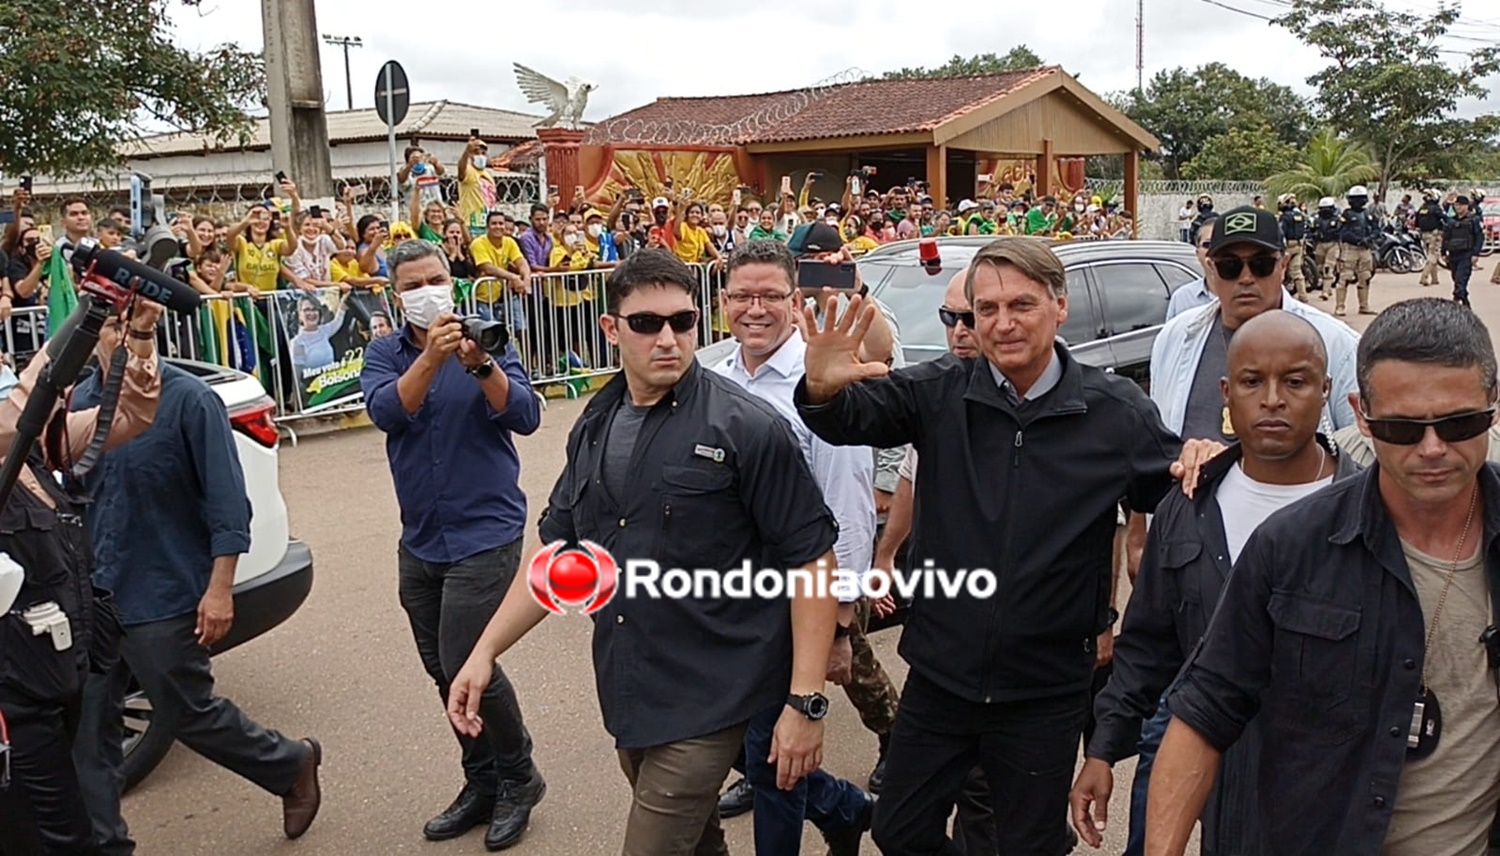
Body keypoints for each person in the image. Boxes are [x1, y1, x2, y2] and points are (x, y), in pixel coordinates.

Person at [794, 236, 1184, 856]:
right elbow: (845, 418)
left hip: (1045, 689)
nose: (1003, 324)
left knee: (1027, 843)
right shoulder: (940, 392)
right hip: (941, 676)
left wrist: (1203, 456)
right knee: (899, 830)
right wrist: (820, 387)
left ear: (1059, 307)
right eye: (987, 309)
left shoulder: (1115, 412)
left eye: (1021, 305)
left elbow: (1178, 489)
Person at [446, 249, 841, 856]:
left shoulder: (748, 427)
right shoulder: (597, 422)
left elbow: (813, 561)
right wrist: (485, 653)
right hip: (633, 688)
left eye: (682, 322)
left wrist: (805, 703)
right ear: (611, 329)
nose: (668, 338)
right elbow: (561, 555)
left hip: (719, 692)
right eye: (646, 323)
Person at [1148, 297, 1500, 856]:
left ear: (1493, 406)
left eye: (1459, 423)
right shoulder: (1289, 547)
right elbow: (1203, 714)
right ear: (1360, 414)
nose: (1433, 449)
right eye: (1403, 428)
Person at [1072, 310, 1361, 856]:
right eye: (1253, 382)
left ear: (1325, 390)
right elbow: (1148, 645)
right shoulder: (1189, 505)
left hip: (1314, 778)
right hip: (1187, 746)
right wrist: (1103, 750)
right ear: (1227, 392)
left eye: (1295, 381)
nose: (1272, 398)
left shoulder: (1363, 512)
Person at [71, 303, 324, 854]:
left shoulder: (189, 399)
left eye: (123, 325)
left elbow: (229, 503)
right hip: (94, 593)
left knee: (187, 710)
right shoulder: (81, 402)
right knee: (88, 725)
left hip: (162, 589)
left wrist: (219, 589)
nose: (112, 337)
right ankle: (103, 843)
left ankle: (290, 763)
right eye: (104, 327)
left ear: (145, 331)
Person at [359, 239, 545, 850]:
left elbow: (524, 414)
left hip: (485, 531)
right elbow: (388, 412)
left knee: (470, 658)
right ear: (395, 294)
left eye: (435, 279)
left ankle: (520, 776)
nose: (426, 292)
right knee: (443, 667)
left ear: (454, 281)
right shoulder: (386, 352)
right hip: (421, 537)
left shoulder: (486, 339)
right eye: (411, 285)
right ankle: (481, 778)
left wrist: (477, 364)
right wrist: (430, 362)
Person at [707, 239, 876, 855]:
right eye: (742, 296)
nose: (757, 309)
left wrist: (839, 625)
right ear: (723, 301)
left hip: (797, 604)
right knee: (746, 745)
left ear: (795, 300)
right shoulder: (712, 378)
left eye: (771, 296)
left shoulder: (820, 380)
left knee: (775, 755)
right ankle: (844, 807)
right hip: (728, 603)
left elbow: (848, 507)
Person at [0, 298, 164, 855]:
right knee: (57, 836)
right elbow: (15, 419)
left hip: (57, 671)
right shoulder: (11, 438)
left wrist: (133, 342)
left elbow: (130, 416)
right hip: (13, 697)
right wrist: (80, 326)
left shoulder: (27, 453)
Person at [869, 266, 998, 855]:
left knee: (993, 812)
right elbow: (909, 481)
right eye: (951, 319)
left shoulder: (1077, 404)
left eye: (972, 318)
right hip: (942, 646)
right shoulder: (936, 393)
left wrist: (1101, 616)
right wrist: (888, 553)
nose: (960, 331)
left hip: (1024, 664)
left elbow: (1109, 519)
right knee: (898, 825)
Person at [1335, 184, 1378, 317]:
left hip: (1365, 250)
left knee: (1365, 277)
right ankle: (1340, 307)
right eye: (1356, 198)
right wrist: (1358, 240)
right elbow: (1342, 232)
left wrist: (1370, 238)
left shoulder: (1368, 214)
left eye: (1361, 198)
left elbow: (1377, 229)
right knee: (1345, 277)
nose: (1358, 201)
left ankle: (1364, 306)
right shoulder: (1346, 214)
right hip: (1350, 249)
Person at [1165, 216, 1217, 320]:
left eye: (1219, 243)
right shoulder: (1182, 298)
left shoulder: (1246, 297)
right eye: (1208, 244)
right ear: (1197, 253)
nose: (1214, 250)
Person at [1443, 194, 1485, 308]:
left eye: (1461, 205)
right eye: (1456, 205)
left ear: (1467, 206)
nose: (1458, 207)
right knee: (1456, 279)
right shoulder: (1451, 221)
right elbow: (1446, 237)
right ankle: (1466, 304)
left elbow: (1479, 237)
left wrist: (1476, 253)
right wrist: (1443, 253)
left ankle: (1455, 304)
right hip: (1453, 254)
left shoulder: (1474, 220)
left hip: (1466, 254)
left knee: (1461, 280)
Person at [1278, 194, 1310, 301]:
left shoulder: (1285, 217)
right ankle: (1303, 296)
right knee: (1296, 271)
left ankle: (1278, 296)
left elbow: (1281, 232)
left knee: (1279, 270)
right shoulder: (1300, 215)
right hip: (1299, 245)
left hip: (1288, 246)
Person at [1310, 197, 1342, 301]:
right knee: (1319, 268)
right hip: (1320, 245)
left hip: (1332, 244)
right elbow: (1312, 230)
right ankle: (1328, 289)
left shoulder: (1336, 220)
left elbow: (1340, 232)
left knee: (1328, 268)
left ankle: (1325, 292)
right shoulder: (1317, 219)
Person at [1415, 190, 1447, 288]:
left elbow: (1416, 222)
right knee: (1433, 255)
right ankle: (1424, 277)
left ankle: (1435, 279)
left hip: (1424, 235)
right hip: (1435, 234)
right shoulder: (1436, 208)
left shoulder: (1422, 208)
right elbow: (1445, 218)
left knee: (1431, 255)